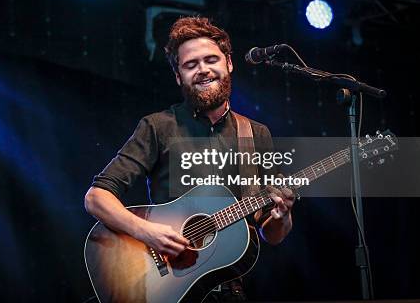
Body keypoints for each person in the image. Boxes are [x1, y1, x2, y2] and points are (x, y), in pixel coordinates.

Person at [84, 17, 296, 301]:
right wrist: (146, 232)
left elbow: (272, 233)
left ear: (229, 64)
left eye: (211, 60)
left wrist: (282, 217)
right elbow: (96, 197)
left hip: (229, 292)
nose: (203, 70)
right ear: (178, 76)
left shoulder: (256, 134)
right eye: (190, 64)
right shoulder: (158, 126)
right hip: (168, 291)